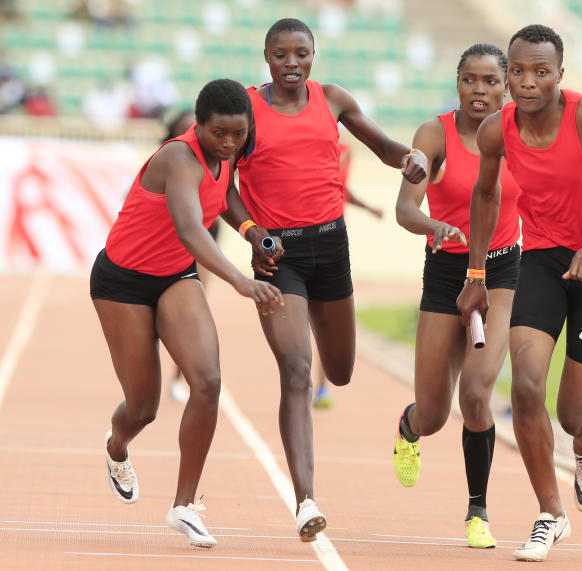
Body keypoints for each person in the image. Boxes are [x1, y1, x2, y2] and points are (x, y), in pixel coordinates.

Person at [392, 42, 582, 550]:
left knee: (550, 409)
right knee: (492, 397)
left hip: (570, 265)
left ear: (558, 73)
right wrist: (465, 262)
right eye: (516, 72)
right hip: (503, 263)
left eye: (536, 72)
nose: (523, 82)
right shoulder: (476, 131)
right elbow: (481, 193)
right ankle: (549, 512)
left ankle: (567, 454)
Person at [233, 17, 427, 542]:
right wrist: (251, 230)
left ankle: (393, 410)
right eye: (280, 54)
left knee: (338, 372)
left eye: (301, 53)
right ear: (266, 57)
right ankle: (305, 500)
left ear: (313, 55)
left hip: (331, 247)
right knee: (297, 370)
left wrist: (410, 159)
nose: (291, 63)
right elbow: (222, 181)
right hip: (279, 256)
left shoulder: (333, 100)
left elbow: (386, 146)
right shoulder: (247, 109)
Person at [91, 78, 283, 549]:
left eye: (238, 134)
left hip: (174, 277)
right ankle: (116, 446)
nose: (230, 143)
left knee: (207, 380)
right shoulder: (177, 158)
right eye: (220, 133)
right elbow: (190, 228)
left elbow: (227, 193)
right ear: (198, 125)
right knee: (144, 407)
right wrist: (242, 280)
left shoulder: (229, 151)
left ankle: (183, 505)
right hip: (123, 281)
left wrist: (251, 229)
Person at [312, 139, 384, 409]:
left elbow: (340, 189)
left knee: (325, 317)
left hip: (332, 239)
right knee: (304, 317)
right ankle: (302, 383)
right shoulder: (310, 147)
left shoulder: (344, 150)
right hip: (300, 236)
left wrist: (369, 208)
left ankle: (320, 387)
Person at [160, 109, 224, 404]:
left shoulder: (215, 164)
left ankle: (178, 377)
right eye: (183, 130)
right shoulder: (162, 161)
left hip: (204, 239)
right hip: (164, 241)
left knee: (192, 315)